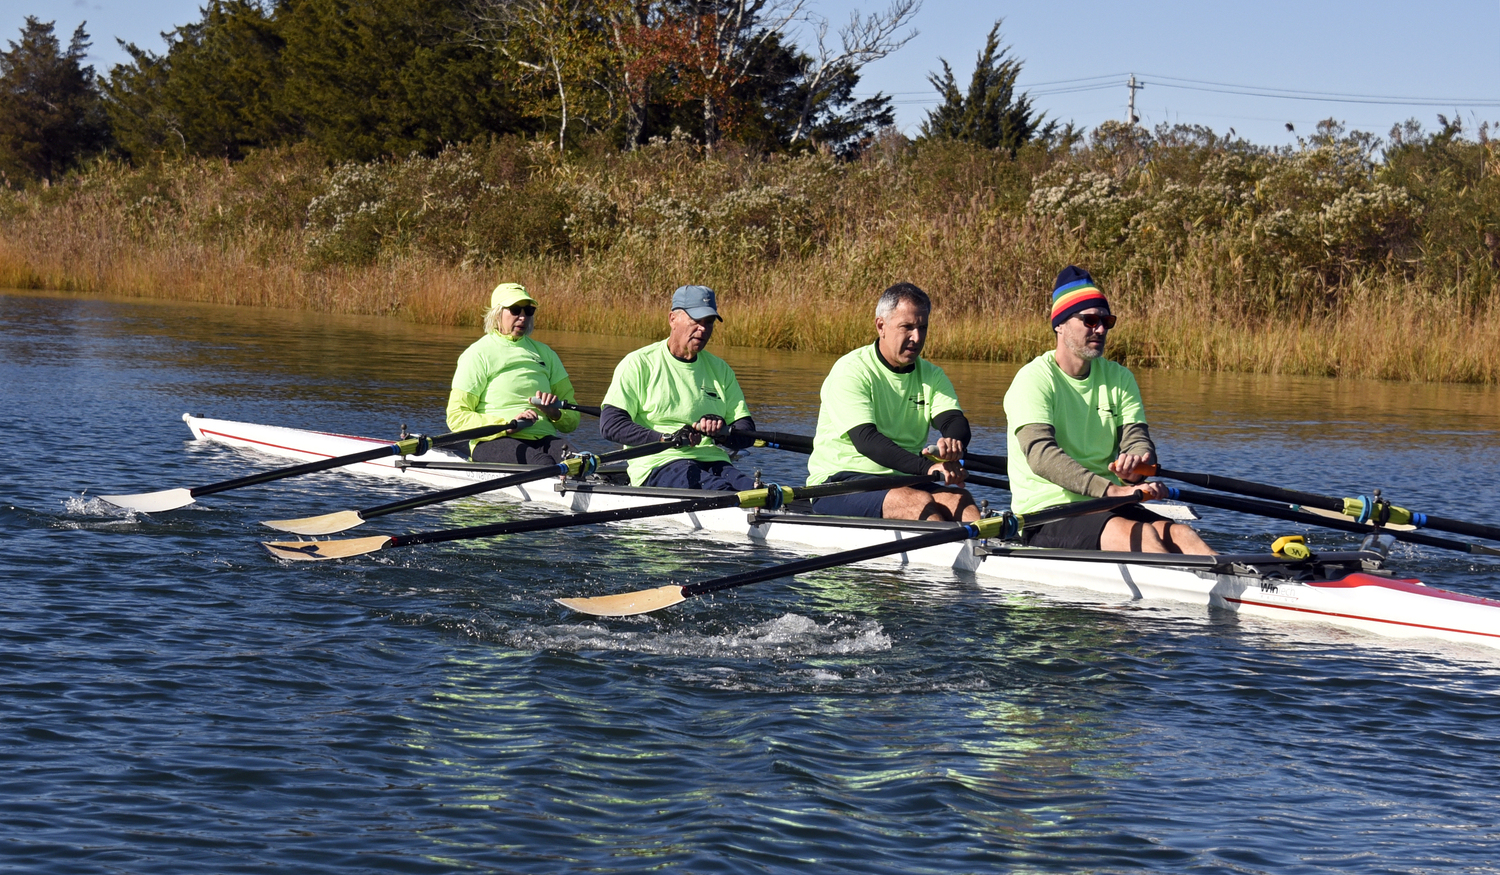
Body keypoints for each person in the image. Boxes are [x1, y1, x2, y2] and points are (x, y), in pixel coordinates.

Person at [1003, 266, 1214, 553]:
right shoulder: (1033, 379)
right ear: (1060, 324)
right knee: (1139, 536)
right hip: (1047, 513)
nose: (1100, 329)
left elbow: (1137, 439)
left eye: (1106, 321)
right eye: (1090, 320)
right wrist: (1112, 490)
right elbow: (1041, 456)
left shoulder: (1119, 377)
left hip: (1108, 502)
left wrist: (1136, 469)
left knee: (1182, 534)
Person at [805, 282, 979, 521]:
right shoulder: (851, 370)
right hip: (841, 481)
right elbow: (867, 441)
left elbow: (953, 420)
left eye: (923, 328)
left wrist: (953, 443)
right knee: (918, 503)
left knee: (962, 502)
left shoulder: (932, 375)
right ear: (881, 326)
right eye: (906, 327)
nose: (916, 338)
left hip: (906, 478)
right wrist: (927, 468)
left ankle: (984, 553)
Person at [599, 285, 758, 489]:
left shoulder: (721, 369)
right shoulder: (638, 363)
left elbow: (746, 431)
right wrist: (665, 438)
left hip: (713, 461)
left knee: (760, 493)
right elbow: (611, 424)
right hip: (658, 463)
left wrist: (722, 432)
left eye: (708, 322)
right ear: (672, 319)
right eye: (696, 321)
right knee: (721, 491)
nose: (703, 329)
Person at [446, 282, 581, 466]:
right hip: (493, 440)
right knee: (543, 463)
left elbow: (572, 418)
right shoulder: (478, 354)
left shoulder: (546, 354)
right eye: (516, 310)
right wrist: (507, 425)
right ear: (497, 314)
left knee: (583, 463)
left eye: (528, 311)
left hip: (544, 438)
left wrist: (554, 413)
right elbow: (456, 416)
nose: (523, 317)